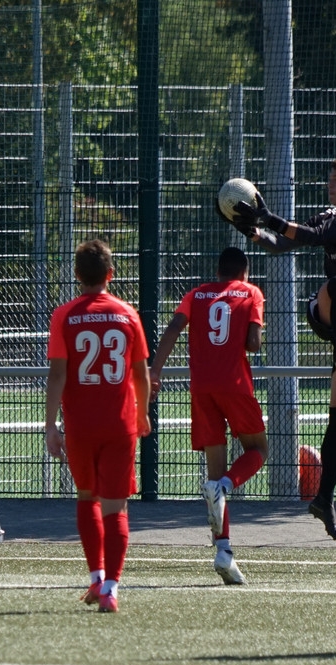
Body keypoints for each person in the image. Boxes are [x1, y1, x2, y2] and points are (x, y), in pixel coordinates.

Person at [227, 155, 336, 542]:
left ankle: (324, 499)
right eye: (330, 179)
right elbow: (285, 243)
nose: (331, 185)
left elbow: (307, 236)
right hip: (327, 309)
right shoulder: (328, 215)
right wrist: (255, 232)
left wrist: (266, 218)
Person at [45, 239, 151, 613]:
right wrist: (141, 413)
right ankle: (110, 587)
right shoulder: (127, 314)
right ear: (111, 274)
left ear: (77, 275)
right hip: (119, 423)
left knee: (87, 497)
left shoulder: (64, 315)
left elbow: (57, 374)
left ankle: (95, 577)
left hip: (81, 424)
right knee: (116, 507)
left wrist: (50, 426)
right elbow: (140, 373)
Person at [150, 247, 268, 585]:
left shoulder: (195, 294)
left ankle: (224, 552)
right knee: (258, 450)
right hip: (235, 385)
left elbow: (173, 328)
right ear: (244, 273)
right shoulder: (251, 292)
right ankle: (227, 486)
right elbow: (254, 344)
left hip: (201, 389)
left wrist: (155, 371)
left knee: (212, 473)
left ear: (218, 271)